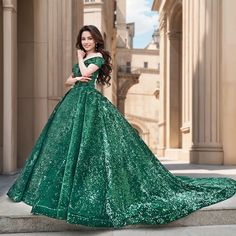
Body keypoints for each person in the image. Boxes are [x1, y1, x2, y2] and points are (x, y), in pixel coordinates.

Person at [7, 25, 236, 228]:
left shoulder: (96, 57)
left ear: (96, 41)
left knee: (91, 146)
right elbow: (69, 80)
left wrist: (79, 60)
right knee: (64, 145)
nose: (86, 42)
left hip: (90, 104)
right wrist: (76, 77)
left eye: (89, 39)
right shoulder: (86, 56)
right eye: (83, 39)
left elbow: (86, 74)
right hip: (72, 105)